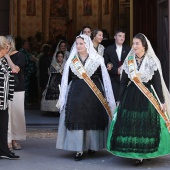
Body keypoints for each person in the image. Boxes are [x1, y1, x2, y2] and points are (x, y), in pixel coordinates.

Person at [107, 33, 170, 165]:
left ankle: (146, 151)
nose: (134, 46)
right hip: (131, 95)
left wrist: (162, 101)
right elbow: (123, 82)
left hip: (148, 96)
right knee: (133, 123)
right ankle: (136, 154)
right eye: (133, 43)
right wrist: (119, 99)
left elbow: (157, 83)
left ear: (144, 46)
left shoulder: (151, 62)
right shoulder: (128, 61)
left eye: (137, 44)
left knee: (146, 124)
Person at [56, 34, 116, 161]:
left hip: (94, 94)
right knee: (77, 118)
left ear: (87, 44)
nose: (78, 46)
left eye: (81, 43)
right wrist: (62, 98)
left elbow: (105, 78)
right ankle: (78, 149)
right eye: (77, 43)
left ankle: (93, 145)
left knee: (93, 117)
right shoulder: (72, 60)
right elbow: (65, 79)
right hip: (76, 93)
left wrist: (109, 98)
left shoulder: (98, 59)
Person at [0, 36, 19, 159]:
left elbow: (15, 69)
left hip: (4, 99)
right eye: (7, 44)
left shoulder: (3, 59)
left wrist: (6, 56)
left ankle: (3, 150)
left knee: (3, 126)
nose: (9, 46)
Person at [5, 35, 26, 151]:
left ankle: (15, 139)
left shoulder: (19, 55)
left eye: (7, 43)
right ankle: (8, 140)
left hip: (17, 87)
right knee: (7, 115)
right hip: (4, 88)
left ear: (11, 43)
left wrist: (7, 57)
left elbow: (15, 70)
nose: (5, 46)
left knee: (17, 115)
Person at [104, 29, 131, 101]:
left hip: (125, 80)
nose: (122, 38)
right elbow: (106, 64)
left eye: (123, 36)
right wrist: (116, 70)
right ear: (115, 37)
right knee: (115, 101)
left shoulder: (128, 49)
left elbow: (131, 63)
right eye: (120, 36)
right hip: (113, 80)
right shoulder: (108, 50)